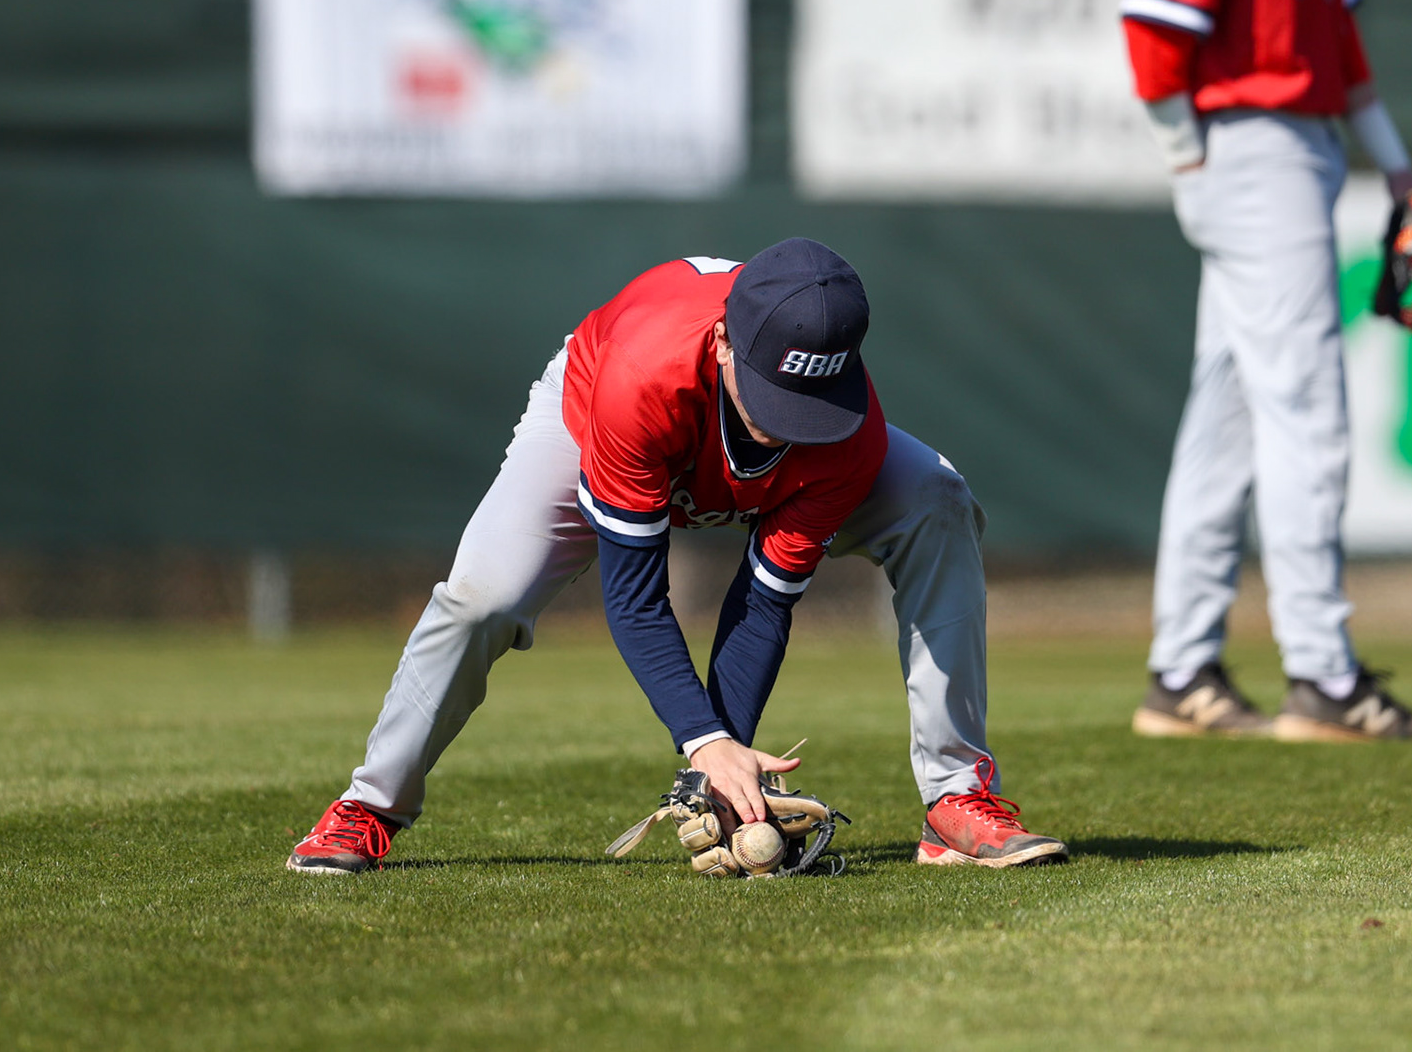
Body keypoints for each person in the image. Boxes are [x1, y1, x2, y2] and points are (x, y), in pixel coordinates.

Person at [286, 238, 1068, 872]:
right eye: (771, 398)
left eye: (808, 408)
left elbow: (764, 600)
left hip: (722, 428)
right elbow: (632, 598)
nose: (783, 426)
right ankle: (371, 804)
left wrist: (717, 782)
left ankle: (956, 801)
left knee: (938, 497)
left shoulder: (841, 430)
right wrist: (706, 741)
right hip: (596, 409)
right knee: (483, 596)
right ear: (724, 339)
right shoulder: (643, 379)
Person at [1119, 0, 1412, 740]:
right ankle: (1323, 675)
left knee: (1227, 409)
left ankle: (1181, 671)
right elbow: (1152, 24)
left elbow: (1340, 41)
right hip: (1250, 143)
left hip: (1299, 141)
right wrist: (1188, 154)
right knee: (1308, 406)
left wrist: (1401, 173)